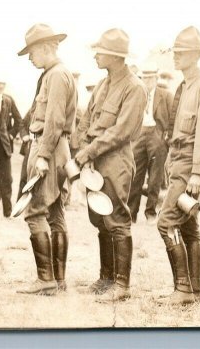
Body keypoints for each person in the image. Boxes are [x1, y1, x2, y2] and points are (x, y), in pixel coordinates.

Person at [74, 29, 146, 302]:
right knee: (100, 218)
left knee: (116, 218)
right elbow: (85, 120)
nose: (96, 56)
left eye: (100, 51)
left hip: (115, 160)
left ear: (115, 56)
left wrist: (89, 151)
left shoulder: (134, 87)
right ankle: (106, 277)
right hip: (94, 159)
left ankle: (122, 285)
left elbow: (122, 131)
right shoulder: (103, 84)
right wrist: (83, 149)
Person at [155, 26, 200, 305]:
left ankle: (182, 289)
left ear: (196, 55)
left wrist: (198, 172)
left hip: (190, 164)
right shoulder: (184, 87)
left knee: (166, 222)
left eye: (182, 53)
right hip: (178, 160)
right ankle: (194, 291)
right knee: (189, 225)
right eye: (175, 52)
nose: (176, 57)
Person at [16, 24, 77, 296]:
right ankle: (58, 279)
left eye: (31, 52)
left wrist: (41, 156)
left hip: (49, 149)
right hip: (56, 148)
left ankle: (46, 280)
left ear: (44, 48)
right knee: (55, 212)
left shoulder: (56, 76)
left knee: (35, 211)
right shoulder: (54, 74)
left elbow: (53, 120)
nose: (30, 58)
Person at [128, 63, 173, 225]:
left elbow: (172, 118)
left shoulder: (166, 95)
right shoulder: (137, 94)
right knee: (135, 174)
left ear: (155, 78)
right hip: (140, 134)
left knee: (155, 177)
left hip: (157, 134)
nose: (147, 81)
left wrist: (166, 138)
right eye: (144, 78)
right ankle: (131, 213)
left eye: (150, 78)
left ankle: (151, 212)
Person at [0, 76, 23, 217]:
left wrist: (11, 135)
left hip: (4, 148)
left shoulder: (8, 100)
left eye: (4, 83)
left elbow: (19, 121)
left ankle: (8, 213)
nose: (1, 86)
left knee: (6, 180)